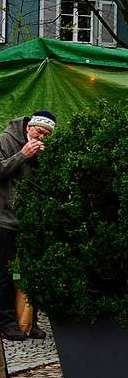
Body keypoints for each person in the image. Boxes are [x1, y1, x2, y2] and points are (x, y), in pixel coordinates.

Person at [0, 110, 56, 341]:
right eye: (38, 131)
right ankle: (8, 323)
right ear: (28, 128)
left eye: (46, 134)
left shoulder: (45, 149)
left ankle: (29, 322)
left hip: (31, 222)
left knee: (28, 273)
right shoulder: (6, 140)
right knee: (4, 273)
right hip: (4, 220)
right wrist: (22, 155)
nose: (41, 137)